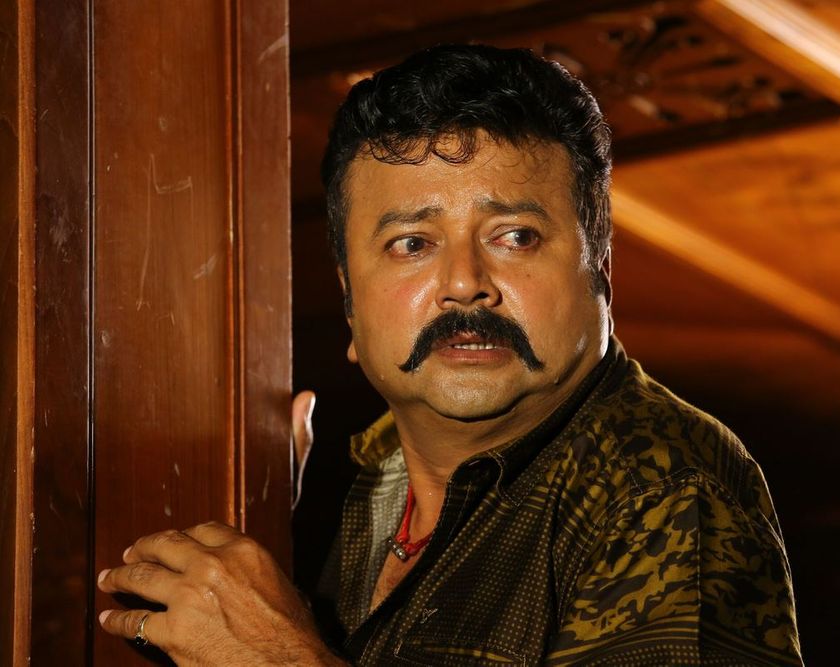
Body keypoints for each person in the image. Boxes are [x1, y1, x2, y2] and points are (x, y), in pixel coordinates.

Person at [97, 44, 802, 665]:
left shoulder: (662, 485)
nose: (465, 283)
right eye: (412, 244)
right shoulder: (368, 482)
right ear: (349, 300)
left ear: (600, 271)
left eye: (514, 237)